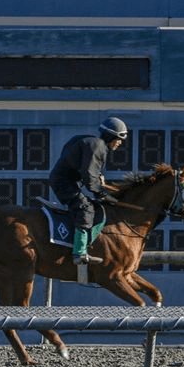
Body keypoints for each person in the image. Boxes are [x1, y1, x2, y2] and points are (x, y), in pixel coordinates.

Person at [48, 117, 128, 277]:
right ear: (111, 137)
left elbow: (86, 168)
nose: (119, 144)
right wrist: (102, 194)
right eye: (119, 139)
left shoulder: (89, 141)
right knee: (86, 209)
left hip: (65, 180)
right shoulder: (97, 146)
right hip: (65, 183)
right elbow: (89, 176)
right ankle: (79, 252)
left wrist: (98, 180)